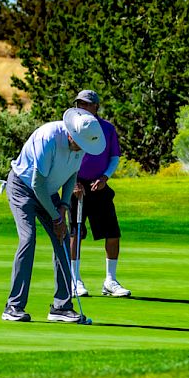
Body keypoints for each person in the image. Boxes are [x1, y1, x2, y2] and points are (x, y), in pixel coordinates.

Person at [2, 108, 106, 322]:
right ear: (71, 133)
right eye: (79, 143)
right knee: (28, 238)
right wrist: (56, 217)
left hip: (49, 192)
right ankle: (13, 306)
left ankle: (61, 307)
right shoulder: (48, 137)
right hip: (23, 187)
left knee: (62, 240)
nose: (81, 149)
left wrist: (64, 205)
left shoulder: (82, 143)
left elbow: (71, 175)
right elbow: (37, 184)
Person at [69, 89, 131, 298]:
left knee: (112, 233)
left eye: (87, 104)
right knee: (75, 233)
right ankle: (74, 280)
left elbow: (114, 156)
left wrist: (105, 177)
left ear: (96, 107)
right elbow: (63, 157)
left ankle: (110, 281)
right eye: (80, 104)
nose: (83, 108)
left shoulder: (107, 128)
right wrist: (72, 181)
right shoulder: (70, 127)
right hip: (76, 185)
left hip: (99, 184)